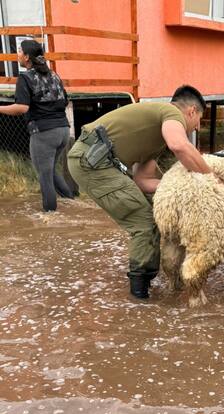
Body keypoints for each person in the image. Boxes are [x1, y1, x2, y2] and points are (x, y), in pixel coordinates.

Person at [67, 85, 213, 299]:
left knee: (151, 210)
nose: (198, 128)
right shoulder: (171, 113)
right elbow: (179, 145)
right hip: (92, 162)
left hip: (94, 161)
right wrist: (211, 179)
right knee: (144, 221)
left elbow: (143, 181)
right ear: (191, 111)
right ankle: (139, 294)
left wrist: (178, 186)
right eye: (199, 120)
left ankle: (145, 282)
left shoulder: (156, 137)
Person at [0, 40, 74, 211]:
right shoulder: (54, 75)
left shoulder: (25, 78)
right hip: (63, 131)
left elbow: (22, 108)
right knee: (50, 172)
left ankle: (50, 217)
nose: (17, 54)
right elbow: (65, 100)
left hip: (44, 133)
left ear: (26, 57)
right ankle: (74, 203)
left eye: (19, 51)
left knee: (44, 177)